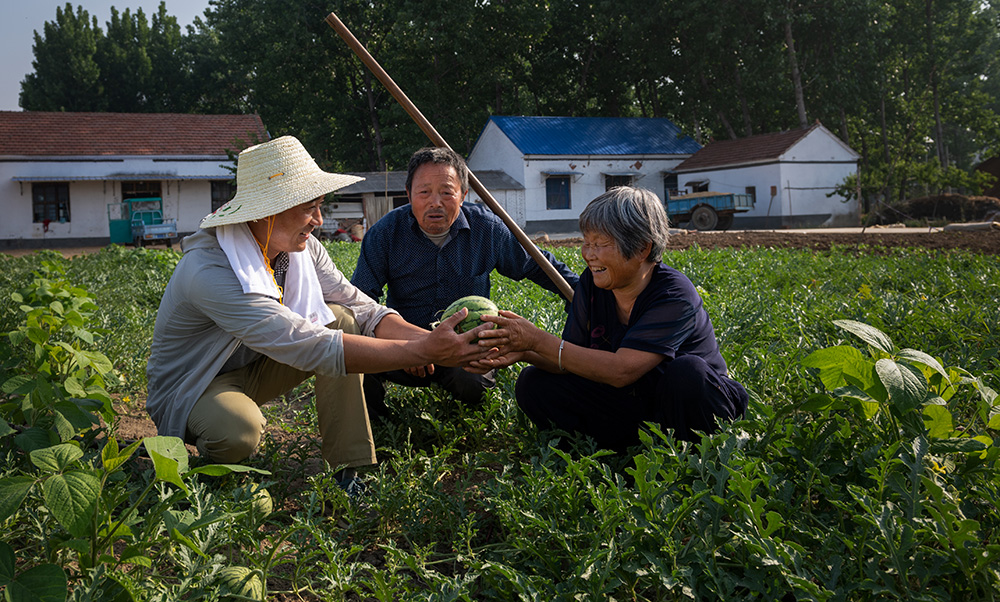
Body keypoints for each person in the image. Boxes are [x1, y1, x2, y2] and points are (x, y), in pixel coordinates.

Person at [145, 136, 490, 489]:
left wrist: (436, 342)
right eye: (309, 208)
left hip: (254, 366)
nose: (318, 220)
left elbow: (361, 306)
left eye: (319, 206)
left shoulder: (302, 249)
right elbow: (305, 343)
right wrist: (422, 351)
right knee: (238, 432)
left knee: (342, 317)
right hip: (195, 386)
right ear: (268, 210)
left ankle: (347, 469)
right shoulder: (209, 269)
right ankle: (213, 473)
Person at [476, 186, 748, 450]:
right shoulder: (592, 285)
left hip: (688, 406)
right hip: (636, 404)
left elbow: (622, 370)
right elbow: (570, 360)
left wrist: (537, 339)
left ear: (642, 248)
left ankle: (694, 455)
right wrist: (523, 351)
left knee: (687, 372)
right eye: (586, 243)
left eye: (600, 244)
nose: (588, 254)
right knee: (534, 383)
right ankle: (628, 452)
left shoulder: (674, 294)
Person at [350, 146, 579, 417]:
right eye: (424, 192)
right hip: (404, 344)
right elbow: (361, 299)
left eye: (447, 192)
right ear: (408, 193)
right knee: (354, 355)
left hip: (465, 346)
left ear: (463, 194)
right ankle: (377, 423)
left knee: (472, 386)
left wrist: (585, 295)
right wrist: (408, 345)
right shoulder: (385, 234)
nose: (436, 202)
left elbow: (540, 266)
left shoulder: (487, 229)